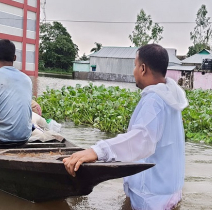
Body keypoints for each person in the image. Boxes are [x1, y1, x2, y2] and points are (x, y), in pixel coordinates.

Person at [63, 44, 189, 210]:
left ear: (143, 68)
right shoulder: (171, 95)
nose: (134, 70)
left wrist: (97, 151)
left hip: (151, 198)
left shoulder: (154, 101)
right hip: (169, 192)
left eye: (135, 65)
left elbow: (141, 139)